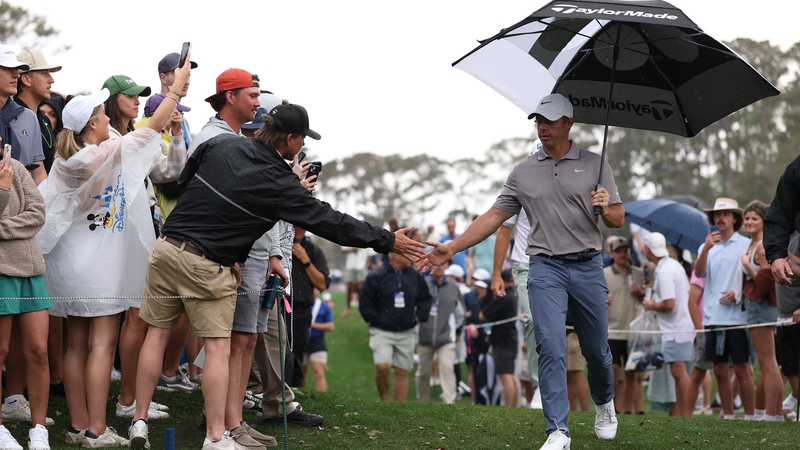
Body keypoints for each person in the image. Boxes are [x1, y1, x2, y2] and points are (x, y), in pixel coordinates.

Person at [130, 102, 424, 449]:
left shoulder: (222, 143)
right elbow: (330, 221)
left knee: (156, 337)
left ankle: (139, 422)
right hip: (206, 264)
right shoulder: (281, 183)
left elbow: (183, 179)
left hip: (166, 247)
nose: (302, 146)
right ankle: (215, 438)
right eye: (302, 139)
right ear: (289, 139)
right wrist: (387, 240)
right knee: (219, 350)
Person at [419, 93, 623, 450]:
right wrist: (451, 247)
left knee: (596, 351)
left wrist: (605, 207)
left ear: (568, 124)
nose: (542, 128)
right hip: (544, 266)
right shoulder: (524, 171)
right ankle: (558, 430)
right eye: (538, 122)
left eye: (549, 122)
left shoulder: (596, 164)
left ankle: (604, 403)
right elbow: (494, 217)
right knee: (550, 345)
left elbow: (618, 219)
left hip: (588, 265)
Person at [36, 53, 190, 447]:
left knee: (76, 345)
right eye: (102, 115)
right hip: (98, 269)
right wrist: (176, 88)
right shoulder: (102, 154)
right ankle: (97, 430)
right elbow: (153, 126)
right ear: (91, 124)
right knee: (102, 344)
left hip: (69, 266)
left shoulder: (65, 161)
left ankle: (76, 426)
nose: (108, 118)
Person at [0, 151, 51, 450]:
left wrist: (3, 230)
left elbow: (38, 214)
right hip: (1, 272)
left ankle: (39, 429)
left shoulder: (16, 167)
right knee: (1, 351)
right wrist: (3, 189)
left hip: (31, 270)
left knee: (39, 351)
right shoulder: (8, 176)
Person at [694, 197, 755, 420]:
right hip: (712, 317)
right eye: (717, 215)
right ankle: (727, 414)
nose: (720, 218)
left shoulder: (745, 243)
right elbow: (699, 273)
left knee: (741, 369)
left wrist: (736, 292)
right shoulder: (706, 245)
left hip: (738, 317)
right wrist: (706, 249)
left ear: (734, 218)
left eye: (725, 214)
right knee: (719, 369)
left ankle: (750, 415)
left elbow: (753, 278)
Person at [360, 247, 432, 402]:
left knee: (402, 371)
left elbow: (426, 299)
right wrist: (377, 320)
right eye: (406, 253)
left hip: (406, 330)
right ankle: (385, 401)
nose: (410, 257)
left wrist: (418, 318)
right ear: (394, 254)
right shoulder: (376, 275)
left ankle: (399, 408)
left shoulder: (415, 276)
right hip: (381, 330)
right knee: (383, 367)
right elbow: (365, 303)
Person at [740, 200, 783, 421]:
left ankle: (771, 415)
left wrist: (748, 265)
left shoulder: (762, 247)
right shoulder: (751, 244)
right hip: (755, 307)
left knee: (769, 364)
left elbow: (766, 284)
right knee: (767, 364)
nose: (749, 222)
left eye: (754, 218)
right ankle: (772, 413)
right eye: (746, 218)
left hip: (762, 308)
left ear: (763, 221)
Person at [641, 232, 692, 417]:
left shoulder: (664, 270)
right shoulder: (673, 265)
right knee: (678, 372)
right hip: (679, 328)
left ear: (648, 250)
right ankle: (680, 416)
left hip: (675, 330)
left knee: (679, 373)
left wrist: (651, 304)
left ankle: (686, 416)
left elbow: (670, 304)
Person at [603, 236, 644, 414]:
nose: (622, 254)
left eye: (625, 250)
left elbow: (647, 299)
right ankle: (612, 409)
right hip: (612, 330)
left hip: (633, 330)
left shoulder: (637, 273)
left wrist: (640, 292)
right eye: (618, 251)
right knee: (611, 371)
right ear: (611, 253)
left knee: (632, 373)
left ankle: (627, 410)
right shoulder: (604, 274)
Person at [286, 227, 331, 388]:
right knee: (276, 353)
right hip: (277, 306)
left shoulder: (313, 250)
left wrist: (305, 260)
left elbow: (322, 284)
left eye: (301, 224)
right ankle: (270, 392)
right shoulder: (279, 246)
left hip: (301, 310)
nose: (298, 228)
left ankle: (294, 392)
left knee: (298, 352)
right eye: (294, 224)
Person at [416, 262, 465, 404]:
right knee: (423, 373)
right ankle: (422, 403)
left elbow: (460, 312)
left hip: (446, 338)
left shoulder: (453, 287)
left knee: (447, 369)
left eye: (442, 264)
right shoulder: (423, 284)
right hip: (424, 337)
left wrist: (458, 330)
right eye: (436, 265)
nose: (438, 267)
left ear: (446, 267)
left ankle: (449, 403)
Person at [0, 44, 46, 186]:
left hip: (23, 206)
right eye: (8, 68)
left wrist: (43, 206)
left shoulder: (28, 117)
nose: (17, 74)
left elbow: (38, 175)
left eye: (16, 69)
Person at [14, 48, 60, 174]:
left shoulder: (44, 119)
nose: (51, 80)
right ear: (26, 80)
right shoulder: (12, 117)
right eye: (45, 73)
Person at [480, 269, 519, 407]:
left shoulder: (503, 297)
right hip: (511, 340)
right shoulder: (513, 296)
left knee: (505, 376)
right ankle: (513, 406)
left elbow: (482, 315)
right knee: (511, 375)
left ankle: (510, 407)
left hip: (502, 341)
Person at [303, 290, 335, 392]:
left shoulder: (324, 307)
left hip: (317, 342)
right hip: (301, 341)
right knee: (300, 373)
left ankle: (321, 397)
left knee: (319, 372)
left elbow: (330, 326)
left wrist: (312, 325)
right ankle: (299, 395)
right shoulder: (300, 305)